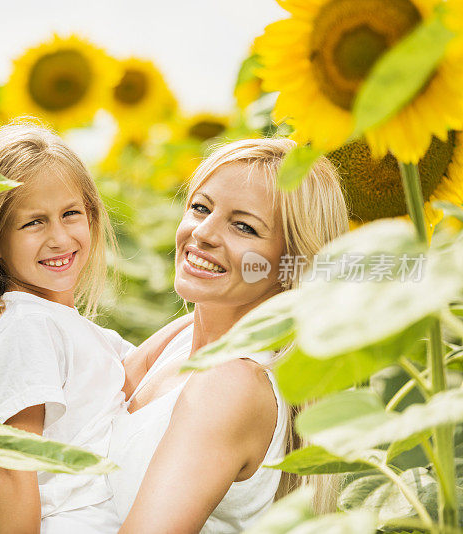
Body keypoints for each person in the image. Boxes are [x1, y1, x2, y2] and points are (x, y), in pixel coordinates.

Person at [0, 122, 190, 533]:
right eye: (34, 222)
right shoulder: (29, 329)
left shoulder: (64, 328)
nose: (59, 237)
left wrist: (220, 309)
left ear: (90, 217)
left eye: (70, 214)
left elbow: (136, 370)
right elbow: (14, 469)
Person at [108, 138, 348, 533]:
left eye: (243, 226)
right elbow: (72, 424)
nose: (203, 233)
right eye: (201, 207)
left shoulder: (230, 385)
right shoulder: (183, 337)